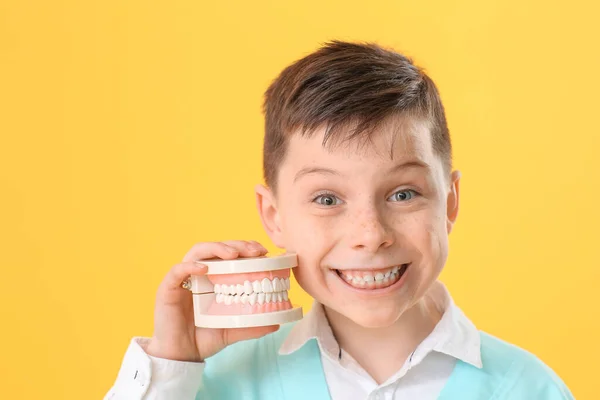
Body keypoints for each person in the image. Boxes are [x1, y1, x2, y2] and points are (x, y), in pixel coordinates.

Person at [105, 41, 574, 400]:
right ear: (273, 215)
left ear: (449, 203)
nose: (370, 236)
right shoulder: (211, 383)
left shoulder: (527, 388)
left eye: (403, 193)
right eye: (328, 199)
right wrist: (171, 364)